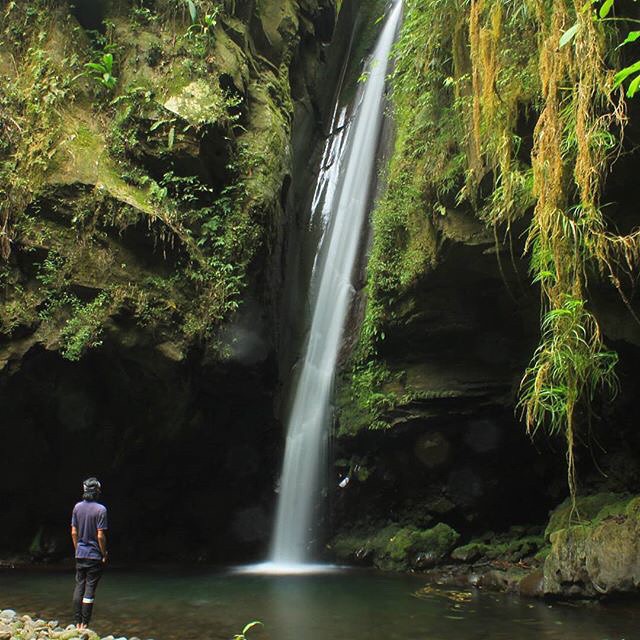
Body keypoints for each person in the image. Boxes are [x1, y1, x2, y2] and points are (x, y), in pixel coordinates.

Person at [71, 477, 108, 629]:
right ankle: (85, 624)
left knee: (79, 584)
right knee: (90, 587)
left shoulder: (77, 507)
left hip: (80, 553)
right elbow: (100, 535)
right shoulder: (101, 510)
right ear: (97, 491)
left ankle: (77, 622)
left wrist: (77, 549)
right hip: (94, 555)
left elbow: (74, 532)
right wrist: (103, 553)